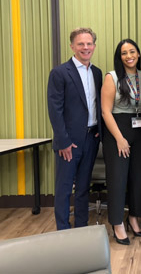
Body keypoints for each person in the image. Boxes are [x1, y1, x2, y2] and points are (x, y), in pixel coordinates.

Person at [47, 27, 102, 230]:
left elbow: (97, 106)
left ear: (94, 47)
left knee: (83, 188)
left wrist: (99, 131)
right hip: (69, 142)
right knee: (63, 188)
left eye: (89, 44)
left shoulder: (96, 73)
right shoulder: (60, 73)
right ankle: (63, 229)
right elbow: (55, 110)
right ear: (72, 46)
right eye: (81, 44)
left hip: (91, 139)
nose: (85, 47)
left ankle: (81, 227)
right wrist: (63, 141)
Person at [101, 39, 141, 245]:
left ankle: (134, 217)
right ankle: (117, 223)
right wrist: (120, 138)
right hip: (117, 129)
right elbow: (105, 111)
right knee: (118, 179)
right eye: (124, 53)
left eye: (132, 51)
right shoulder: (112, 77)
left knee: (139, 177)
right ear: (119, 57)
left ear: (138, 54)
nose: (129, 56)